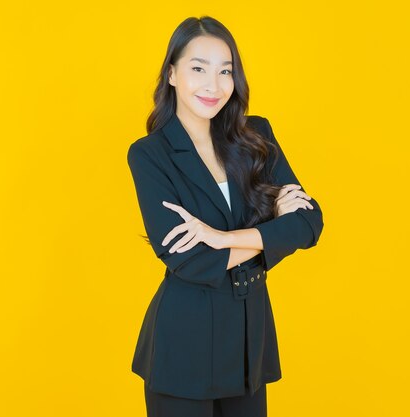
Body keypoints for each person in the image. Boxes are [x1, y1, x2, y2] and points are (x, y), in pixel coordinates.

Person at [126, 15, 324, 417]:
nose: (212, 85)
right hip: (184, 344)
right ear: (172, 74)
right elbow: (187, 258)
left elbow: (308, 223)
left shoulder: (256, 136)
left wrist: (221, 238)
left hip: (250, 339)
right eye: (198, 69)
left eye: (225, 71)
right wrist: (269, 233)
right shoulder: (149, 155)